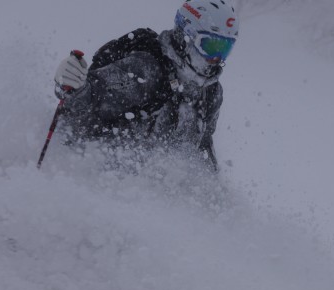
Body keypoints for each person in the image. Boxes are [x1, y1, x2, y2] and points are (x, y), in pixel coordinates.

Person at [53, 0, 239, 173]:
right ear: (186, 37)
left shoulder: (211, 91)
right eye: (212, 46)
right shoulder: (146, 70)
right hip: (105, 180)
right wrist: (75, 90)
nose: (217, 59)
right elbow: (86, 108)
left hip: (162, 197)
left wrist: (213, 195)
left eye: (225, 49)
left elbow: (203, 151)